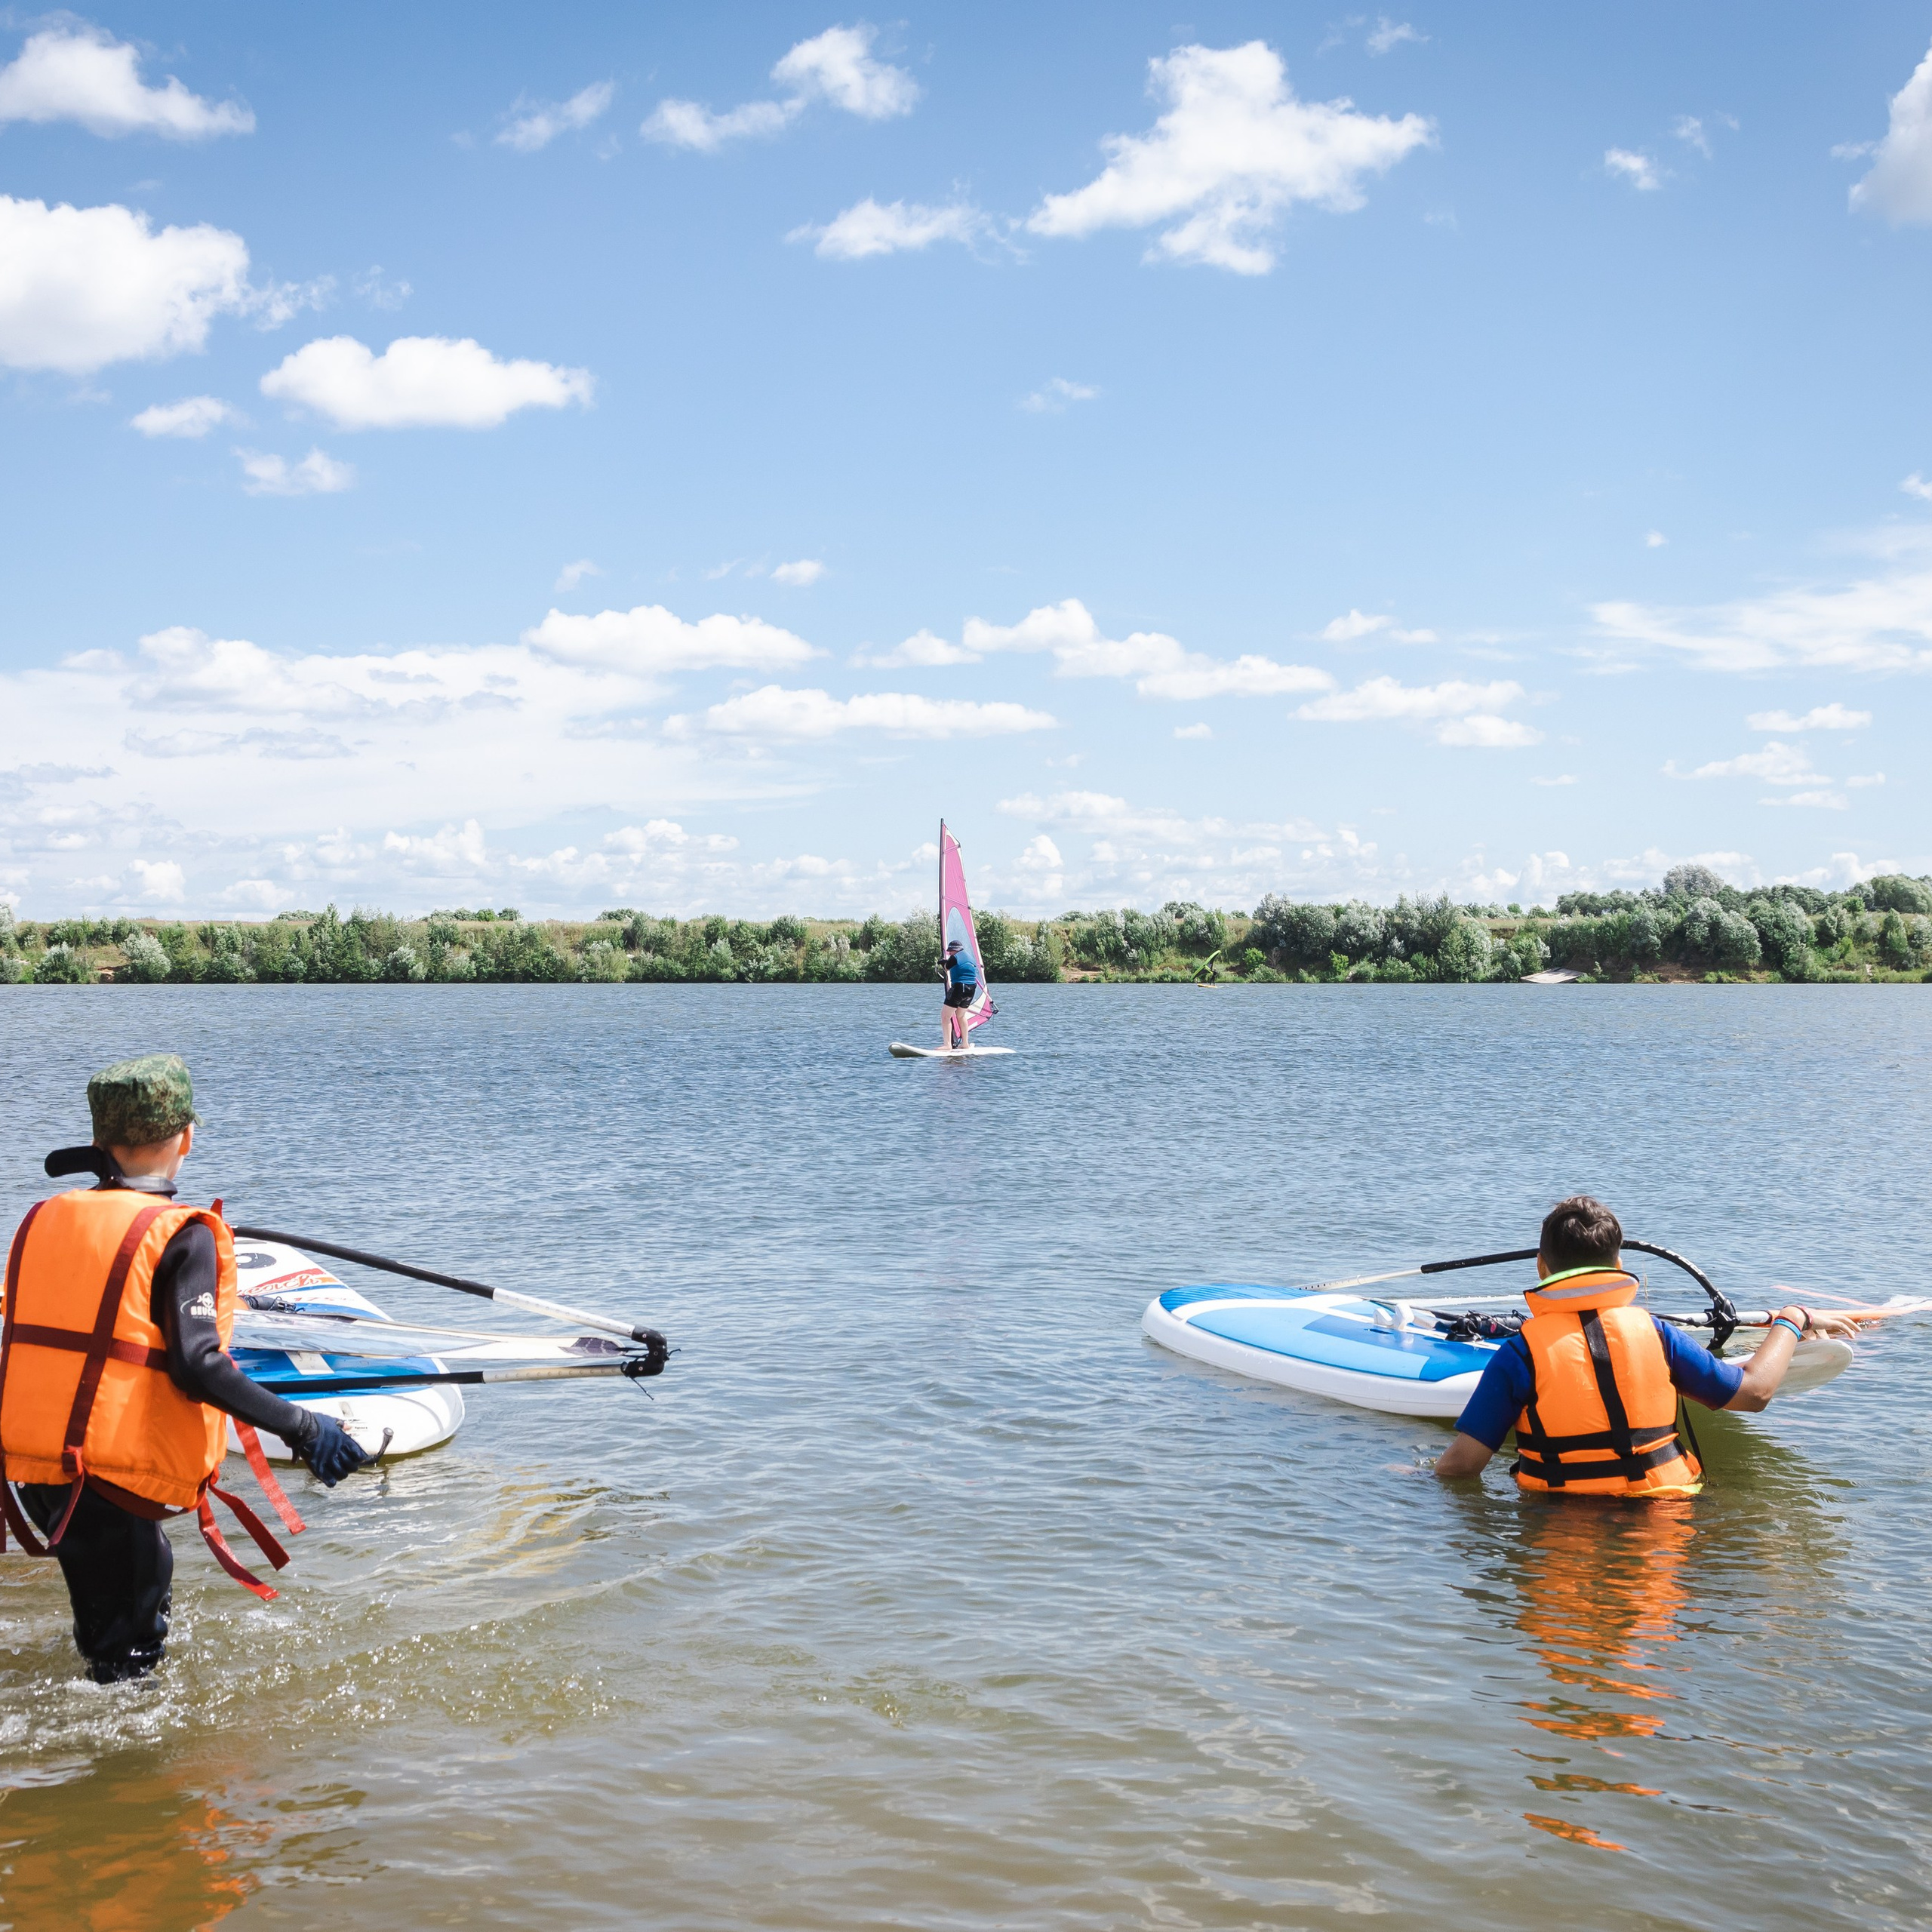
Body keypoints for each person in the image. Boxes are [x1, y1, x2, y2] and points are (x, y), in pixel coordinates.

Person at [1, 1054, 367, 1681]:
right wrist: (305, 1428)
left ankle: (89, 1754)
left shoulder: (45, 1218)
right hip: (114, 1477)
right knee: (132, 1653)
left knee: (108, 1620)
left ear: (98, 1142)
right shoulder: (183, 1236)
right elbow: (198, 1365)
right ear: (187, 1139)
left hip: (42, 1473)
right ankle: (128, 1763)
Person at [1434, 1193, 1869, 1493]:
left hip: (1560, 1523)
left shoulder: (1520, 1354)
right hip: (1666, 1515)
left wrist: (1416, 1474)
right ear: (1619, 1264)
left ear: (1542, 1267)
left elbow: (1461, 1468)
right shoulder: (1660, 1336)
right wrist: (1793, 1319)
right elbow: (1754, 1393)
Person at [940, 938, 979, 1051]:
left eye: (950, 951)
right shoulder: (971, 957)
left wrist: (943, 963)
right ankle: (965, 1044)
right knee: (961, 1015)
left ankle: (947, 1045)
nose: (949, 953)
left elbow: (947, 968)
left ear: (954, 950)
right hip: (972, 988)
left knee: (945, 1016)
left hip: (959, 987)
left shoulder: (955, 957)